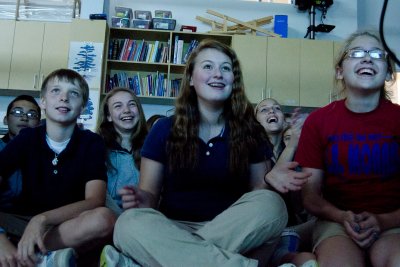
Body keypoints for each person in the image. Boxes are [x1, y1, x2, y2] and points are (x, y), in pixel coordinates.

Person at [101, 39, 289, 267]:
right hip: (172, 228)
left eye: (226, 68)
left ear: (234, 81)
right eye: (208, 66)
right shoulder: (163, 129)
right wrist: (142, 199)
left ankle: (172, 259)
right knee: (128, 223)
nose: (218, 74)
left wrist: (272, 180)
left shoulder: (251, 131)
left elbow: (258, 195)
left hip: (233, 230)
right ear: (190, 78)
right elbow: (149, 195)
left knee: (272, 204)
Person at [295, 30, 400, 266]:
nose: (367, 58)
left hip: (393, 222)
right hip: (336, 221)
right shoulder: (318, 121)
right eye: (357, 53)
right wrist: (342, 217)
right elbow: (310, 197)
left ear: (387, 73)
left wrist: (384, 221)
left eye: (376, 54)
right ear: (340, 71)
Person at [0, 69, 116, 267]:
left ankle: (31, 256)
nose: (64, 98)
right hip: (20, 221)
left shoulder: (91, 142)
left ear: (83, 107)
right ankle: (41, 258)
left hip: (63, 225)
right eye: (56, 91)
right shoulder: (27, 138)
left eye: (74, 93)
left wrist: (42, 219)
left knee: (104, 218)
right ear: (43, 102)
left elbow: (95, 200)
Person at [255, 98, 316, 267]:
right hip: (262, 223)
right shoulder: (250, 151)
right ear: (255, 121)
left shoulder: (295, 152)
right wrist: (293, 144)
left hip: (293, 225)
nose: (272, 111)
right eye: (264, 110)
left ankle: (287, 252)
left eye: (276, 108)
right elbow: (265, 186)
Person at [97, 87, 148, 215]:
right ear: (108, 116)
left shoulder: (152, 147)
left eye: (132, 105)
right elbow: (100, 196)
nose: (127, 110)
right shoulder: (97, 147)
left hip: (146, 217)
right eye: (118, 106)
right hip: (111, 219)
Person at [0, 95, 41, 210]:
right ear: (6, 120)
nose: (24, 118)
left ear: (38, 123)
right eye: (17, 112)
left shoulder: (45, 154)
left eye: (32, 115)